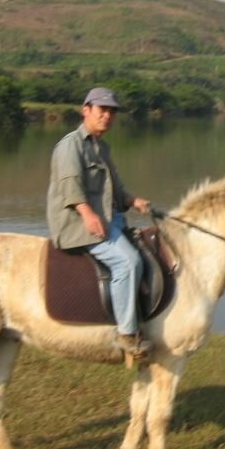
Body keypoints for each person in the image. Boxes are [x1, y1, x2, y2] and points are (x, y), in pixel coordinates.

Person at [47, 87, 152, 358]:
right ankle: (127, 334)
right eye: (101, 110)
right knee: (128, 262)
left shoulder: (102, 148)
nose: (107, 116)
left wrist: (133, 201)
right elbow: (71, 187)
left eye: (111, 112)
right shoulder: (70, 146)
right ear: (86, 111)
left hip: (108, 219)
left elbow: (116, 189)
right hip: (78, 223)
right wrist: (87, 214)